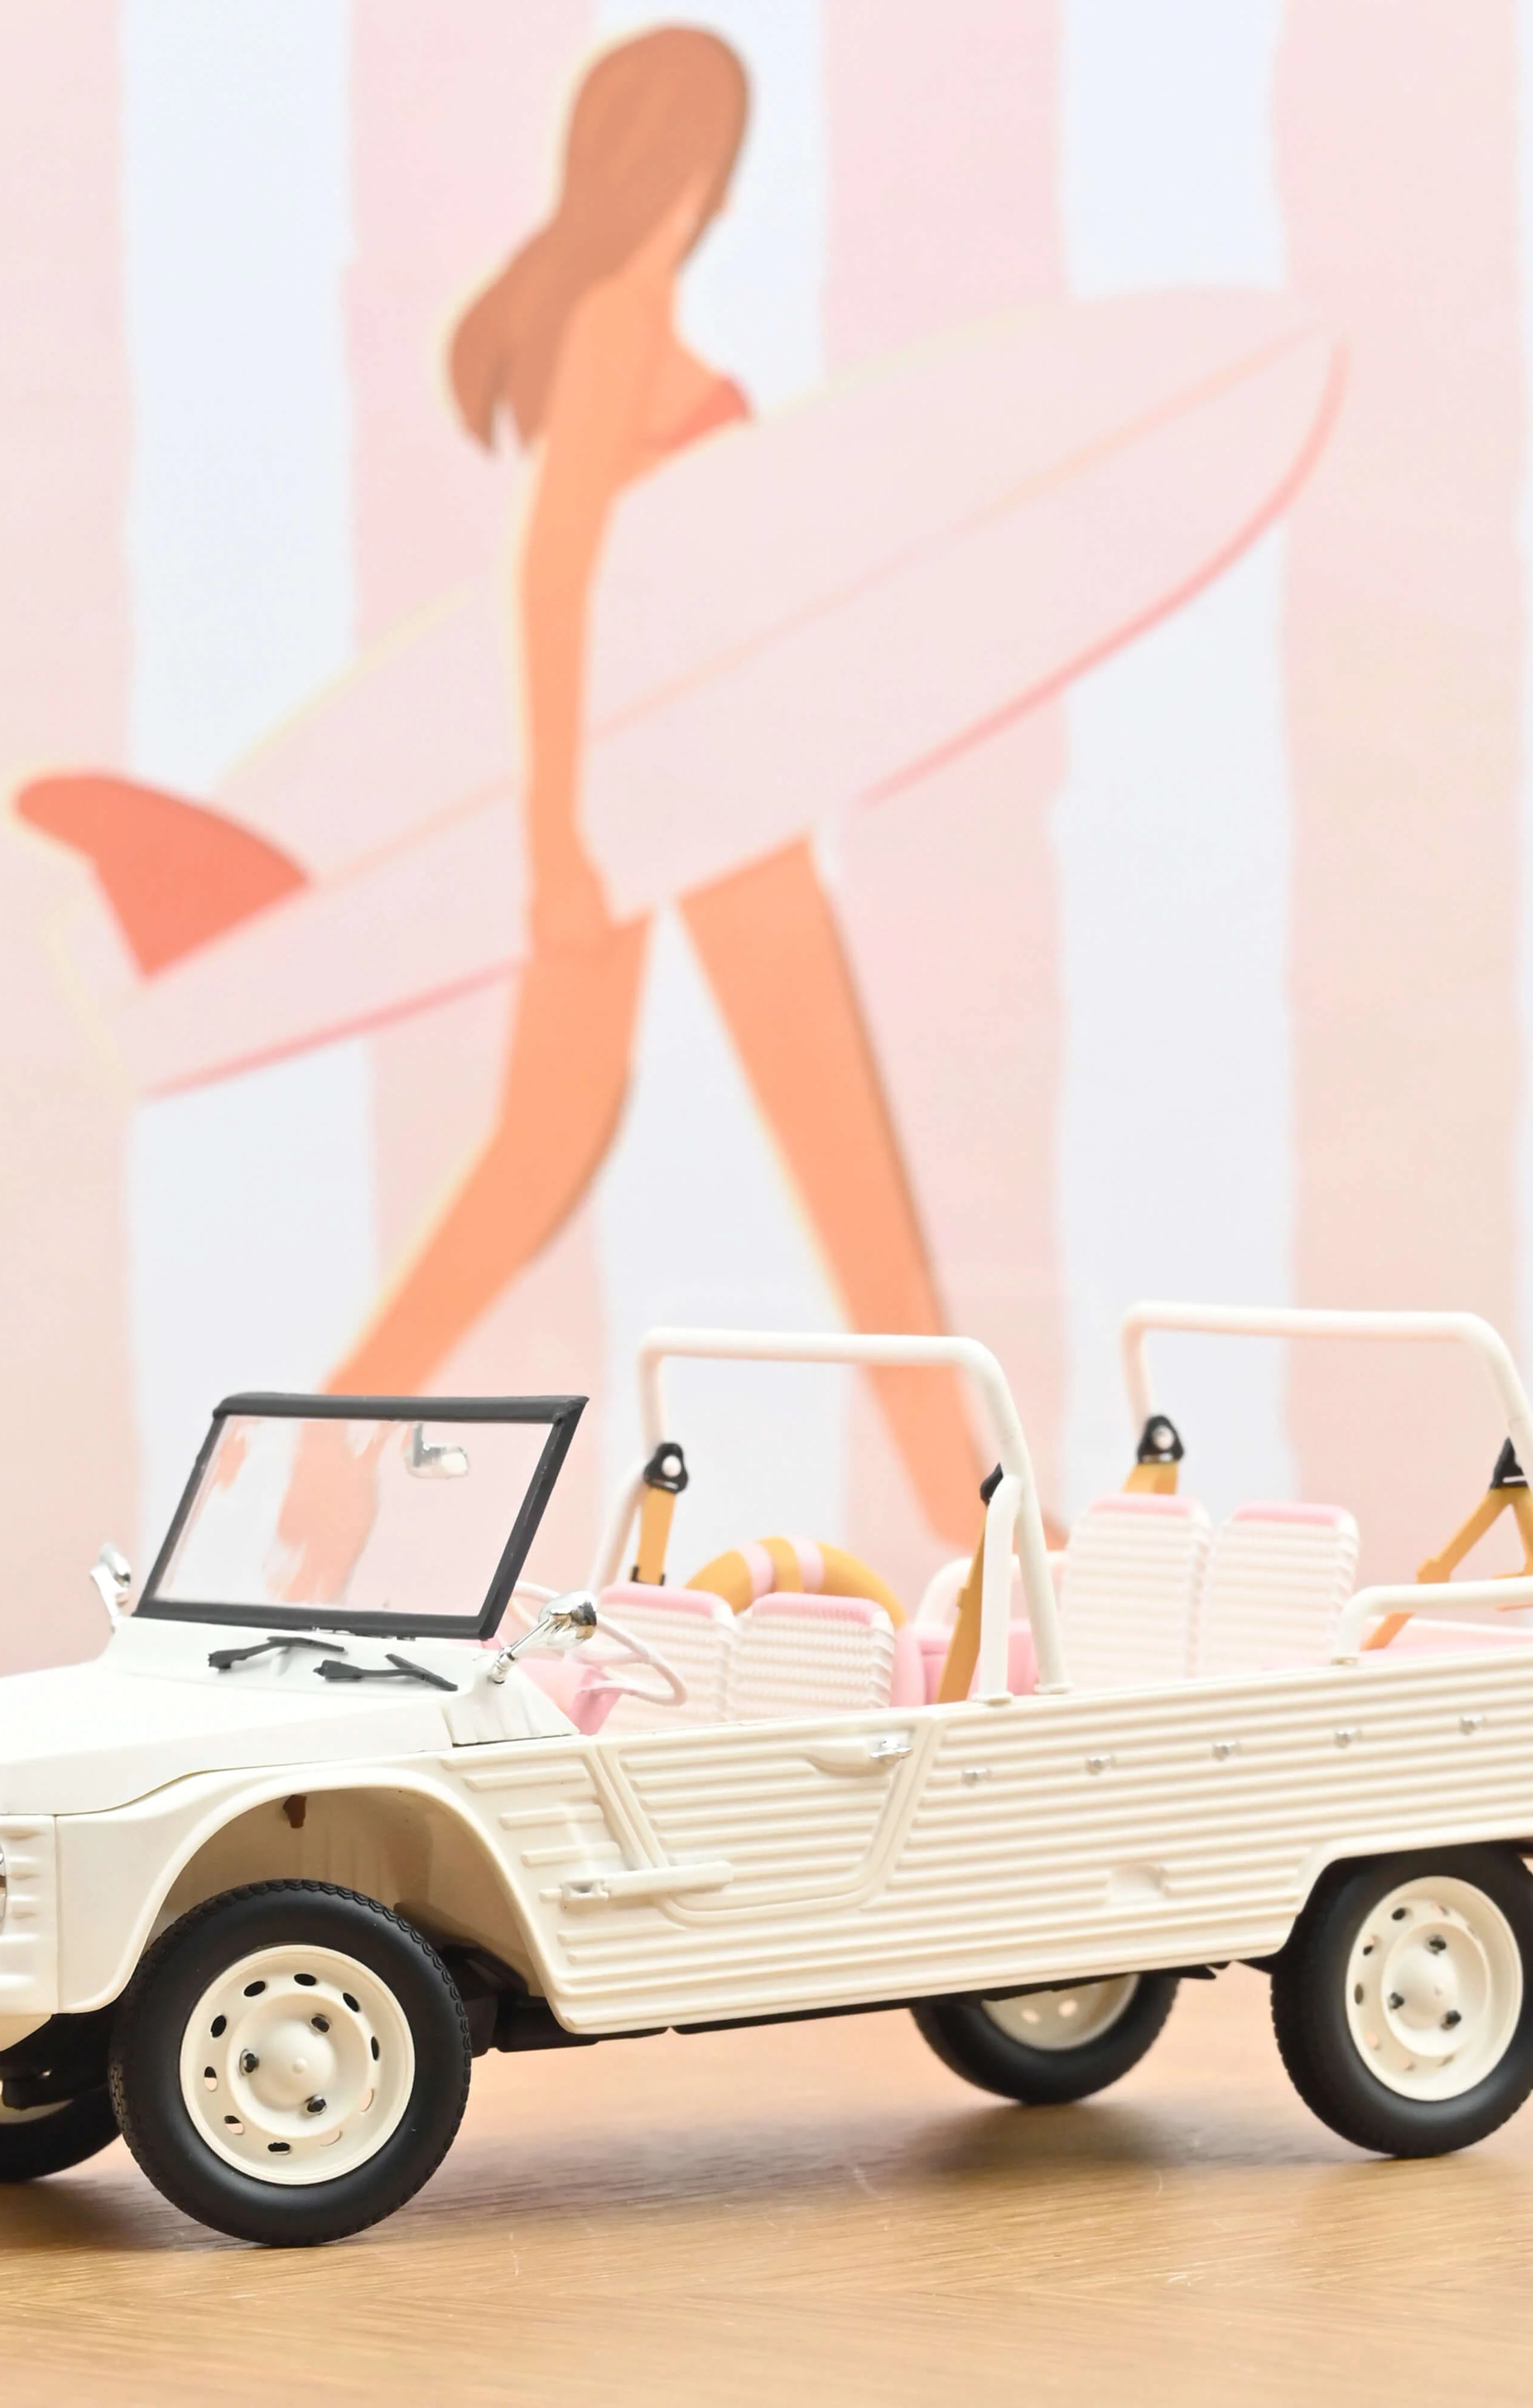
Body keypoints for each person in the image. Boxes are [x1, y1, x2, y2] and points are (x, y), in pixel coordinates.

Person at [288, 26, 989, 1575]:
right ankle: (971, 1511)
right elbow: (552, 575)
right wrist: (556, 838)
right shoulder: (614, 320)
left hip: (691, 791)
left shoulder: (625, 312)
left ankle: (331, 1438)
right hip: (673, 804)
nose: (712, 195)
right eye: (707, 162)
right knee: (806, 1156)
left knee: (574, 1141)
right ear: (685, 168)